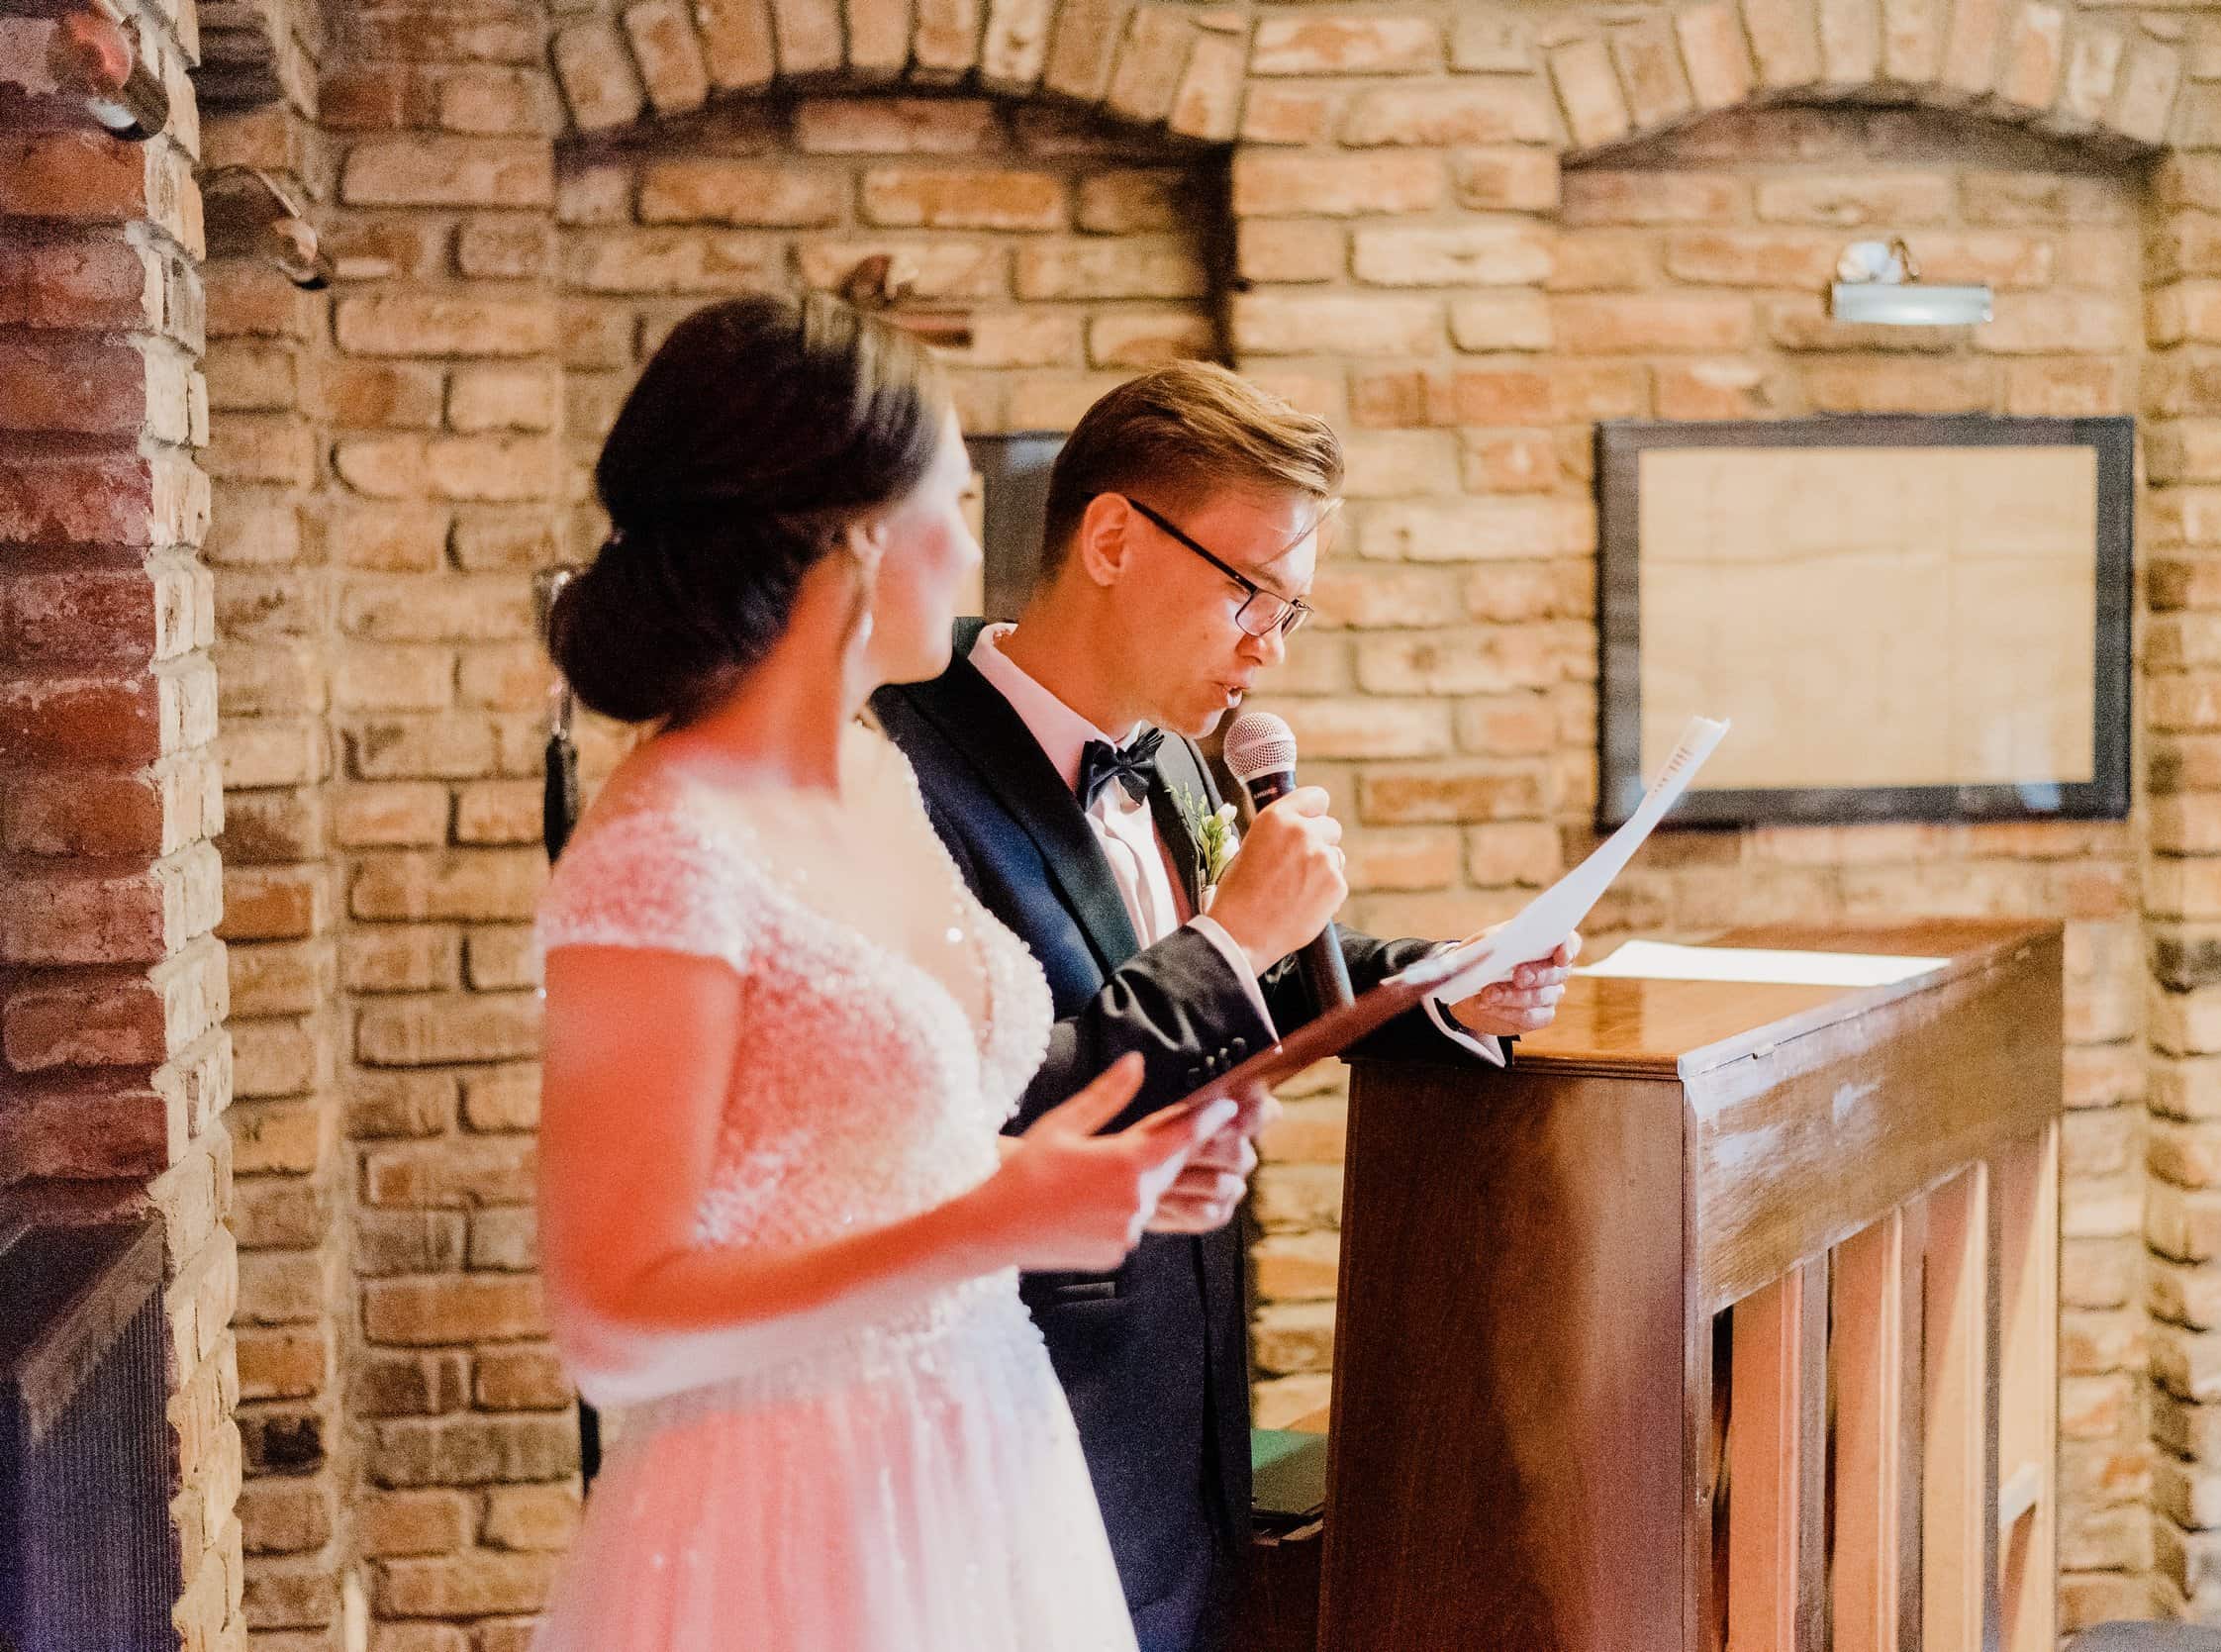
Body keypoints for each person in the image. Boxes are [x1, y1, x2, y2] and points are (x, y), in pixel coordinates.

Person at [525, 296, 1266, 1652]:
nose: (980, 554)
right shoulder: (663, 852)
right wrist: (990, 1221)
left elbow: (872, 1159)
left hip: (988, 1468)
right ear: (859, 536)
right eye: (960, 507)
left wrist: (1095, 1184)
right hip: (787, 1519)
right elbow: (610, 1324)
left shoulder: (876, 776)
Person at [872, 360, 1582, 1652]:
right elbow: (978, 1107)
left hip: (1186, 1426)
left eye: (1290, 611)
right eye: (1250, 591)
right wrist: (1233, 934)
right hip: (1023, 1435)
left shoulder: (1176, 760)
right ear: (1111, 539)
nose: (1270, 646)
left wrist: (1446, 985)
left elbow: (1257, 974)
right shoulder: (904, 770)